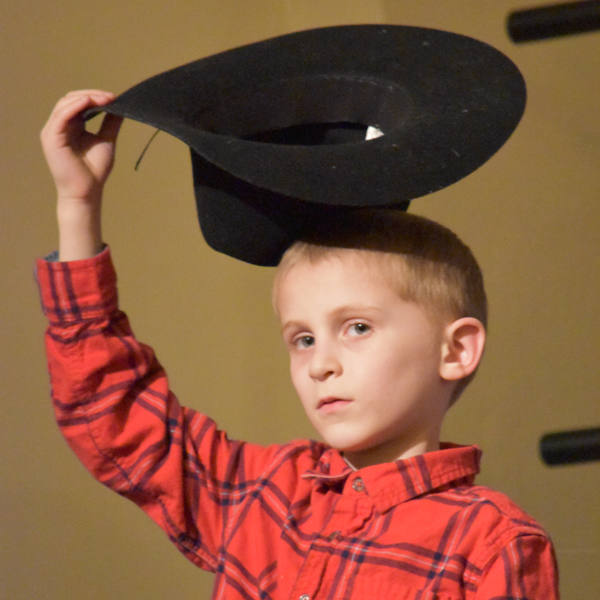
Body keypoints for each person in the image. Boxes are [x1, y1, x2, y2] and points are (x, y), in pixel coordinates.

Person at [38, 90, 559, 599]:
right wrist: (77, 205)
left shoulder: (491, 545)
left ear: (456, 350)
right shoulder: (261, 493)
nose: (320, 365)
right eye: (303, 339)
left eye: (357, 327)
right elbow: (116, 414)